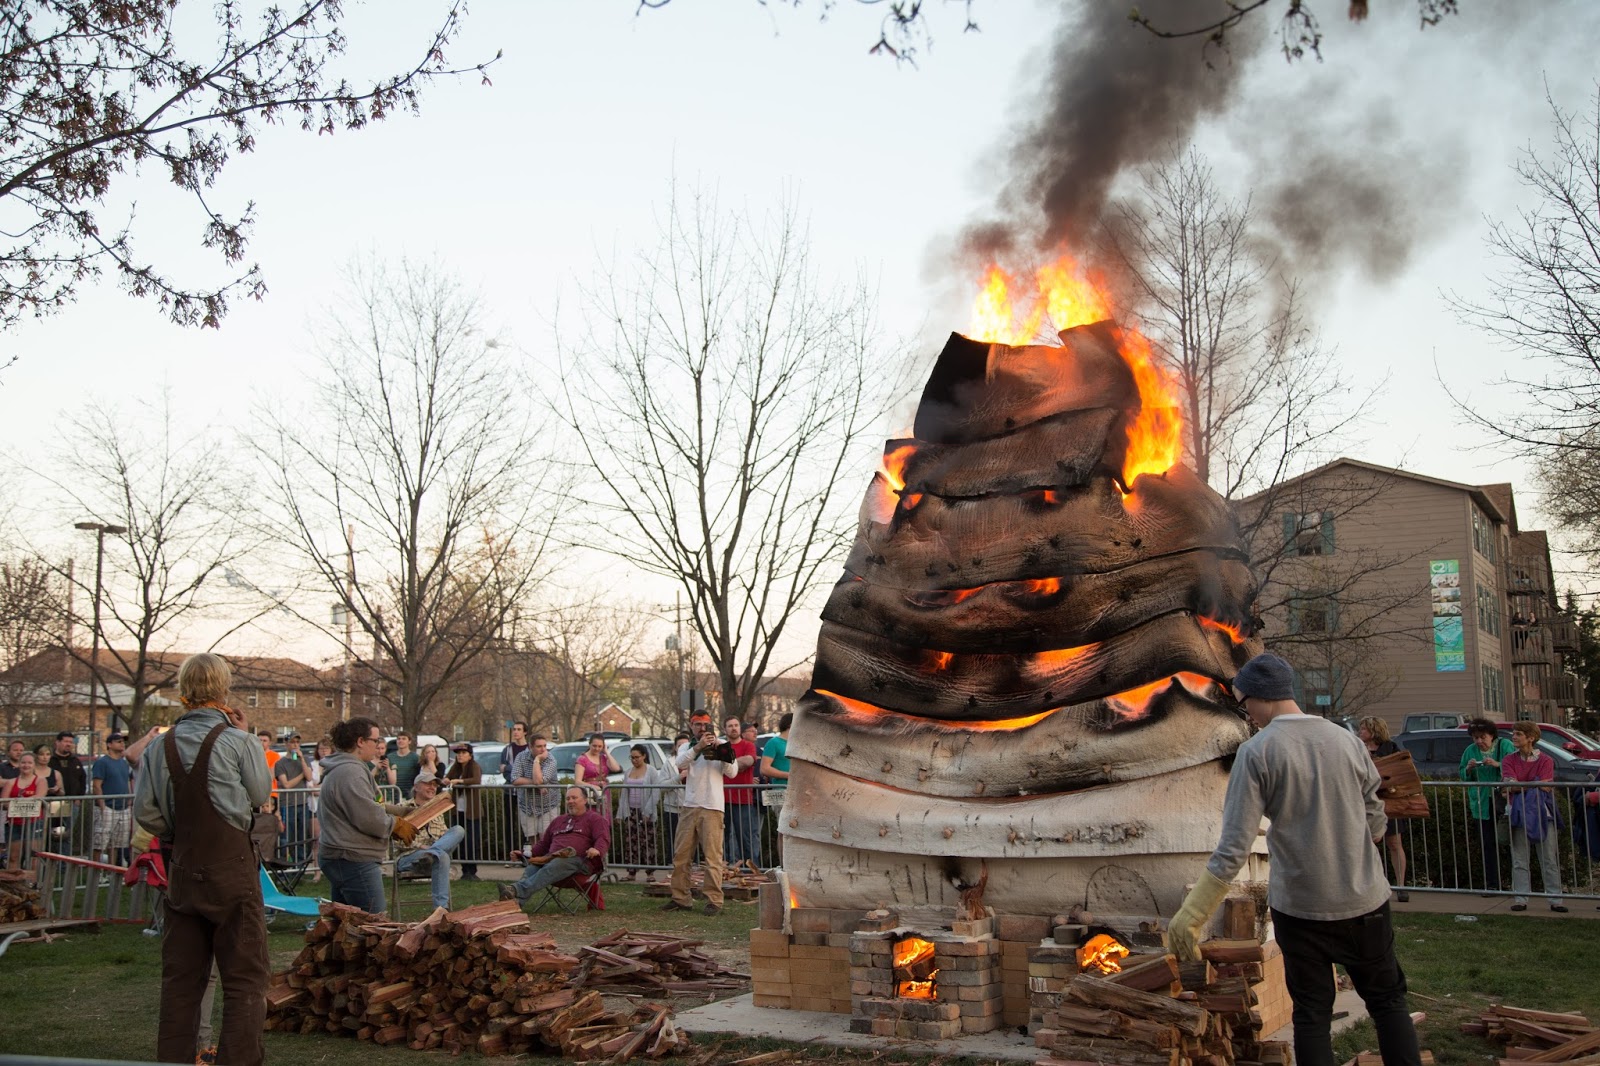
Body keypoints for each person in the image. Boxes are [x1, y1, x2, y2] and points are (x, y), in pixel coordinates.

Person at [1167, 653, 1421, 1066]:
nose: (1245, 712)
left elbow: (1234, 847)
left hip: (1302, 910)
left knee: (1312, 1015)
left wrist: (1192, 914)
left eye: (1244, 702)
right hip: (1365, 903)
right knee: (1388, 1004)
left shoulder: (1257, 752)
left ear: (1262, 697)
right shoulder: (1348, 742)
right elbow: (1376, 814)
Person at [132, 652, 273, 1066]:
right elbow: (262, 795)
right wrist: (243, 734)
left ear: (183, 690)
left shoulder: (159, 746)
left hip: (182, 868)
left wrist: (179, 834)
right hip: (231, 870)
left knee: (181, 980)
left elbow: (146, 814)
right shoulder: (238, 740)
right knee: (245, 978)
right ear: (223, 689)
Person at [316, 716, 416, 912]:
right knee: (373, 925)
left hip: (344, 856)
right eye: (376, 740)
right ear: (360, 742)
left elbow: (373, 804)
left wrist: (403, 812)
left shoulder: (351, 769)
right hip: (352, 859)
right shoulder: (349, 772)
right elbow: (368, 816)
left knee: (346, 927)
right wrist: (396, 824)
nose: (379, 745)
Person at [663, 724, 737, 916]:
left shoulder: (722, 744)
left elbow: (732, 772)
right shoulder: (687, 747)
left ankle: (714, 900)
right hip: (689, 806)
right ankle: (681, 898)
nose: (702, 728)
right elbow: (681, 763)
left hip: (713, 807)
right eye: (697, 724)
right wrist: (698, 748)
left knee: (712, 857)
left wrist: (721, 753)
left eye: (705, 724)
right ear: (691, 726)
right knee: (681, 854)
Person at [498, 786, 608, 908]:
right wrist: (523, 853)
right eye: (568, 798)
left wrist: (597, 849)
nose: (570, 801)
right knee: (532, 868)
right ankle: (514, 905)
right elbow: (543, 845)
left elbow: (602, 838)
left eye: (574, 798)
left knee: (558, 863)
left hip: (580, 862)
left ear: (585, 800)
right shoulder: (558, 820)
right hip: (551, 860)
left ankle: (515, 889)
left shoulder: (595, 819)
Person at [1503, 720, 1567, 912]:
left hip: (1542, 813)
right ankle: (1521, 898)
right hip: (1517, 812)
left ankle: (1555, 900)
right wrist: (1534, 783)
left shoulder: (1546, 760)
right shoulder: (1509, 760)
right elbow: (1509, 785)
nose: (1514, 737)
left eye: (1518, 734)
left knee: (1548, 858)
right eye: (1514, 733)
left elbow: (1547, 786)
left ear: (1531, 738)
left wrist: (1520, 785)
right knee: (1519, 858)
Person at [393, 771, 465, 911]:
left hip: (433, 858)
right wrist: (420, 846)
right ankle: (441, 910)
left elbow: (446, 839)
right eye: (428, 784)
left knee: (458, 830)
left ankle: (431, 856)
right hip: (409, 857)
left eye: (434, 785)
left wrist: (433, 850)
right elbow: (397, 842)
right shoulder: (401, 807)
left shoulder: (438, 812)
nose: (432, 787)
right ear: (416, 787)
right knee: (441, 855)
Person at [1459, 718, 1514, 892]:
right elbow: (1462, 774)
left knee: (1512, 843)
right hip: (1482, 803)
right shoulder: (1470, 751)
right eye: (1475, 738)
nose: (1479, 741)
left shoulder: (1504, 746)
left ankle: (1517, 884)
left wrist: (1497, 764)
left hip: (1504, 801)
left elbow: (1513, 767)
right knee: (1487, 843)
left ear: (1492, 735)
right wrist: (1469, 769)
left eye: (1482, 737)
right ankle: (1492, 884)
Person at [1358, 716, 1409, 902]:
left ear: (1374, 731)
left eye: (1364, 728)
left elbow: (1400, 770)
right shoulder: (1357, 748)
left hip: (1389, 802)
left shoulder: (1391, 748)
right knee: (1367, 845)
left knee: (1395, 844)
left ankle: (1401, 885)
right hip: (1366, 803)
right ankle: (1371, 885)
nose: (1360, 732)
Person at [620, 744, 673, 873]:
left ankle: (650, 872)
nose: (634, 760)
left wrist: (648, 811)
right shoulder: (628, 772)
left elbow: (655, 792)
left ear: (644, 756)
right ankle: (631, 871)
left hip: (646, 811)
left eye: (637, 757)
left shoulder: (652, 771)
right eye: (632, 757)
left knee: (648, 842)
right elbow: (624, 793)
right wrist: (621, 813)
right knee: (631, 842)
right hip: (631, 810)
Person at [92, 731, 134, 867]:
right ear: (109, 745)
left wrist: (128, 798)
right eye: (118, 741)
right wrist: (102, 805)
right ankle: (96, 871)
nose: (122, 743)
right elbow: (97, 785)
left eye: (123, 741)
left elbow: (127, 780)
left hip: (123, 807)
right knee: (100, 842)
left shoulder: (124, 763)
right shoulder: (102, 762)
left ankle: (111, 870)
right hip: (107, 807)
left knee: (116, 843)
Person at [2, 752, 53, 864]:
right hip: (14, 823)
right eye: (23, 762)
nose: (26, 765)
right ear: (19, 764)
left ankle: (32, 881)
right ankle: (13, 881)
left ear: (34, 765)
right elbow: (4, 801)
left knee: (34, 856)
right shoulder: (11, 782)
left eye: (29, 763)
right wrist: (26, 801)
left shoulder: (40, 781)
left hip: (34, 822)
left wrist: (15, 802)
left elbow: (39, 797)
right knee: (13, 856)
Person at [722, 716, 760, 865]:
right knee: (723, 837)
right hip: (722, 799)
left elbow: (749, 761)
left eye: (736, 725)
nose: (734, 728)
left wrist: (725, 763)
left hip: (743, 799)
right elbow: (741, 763)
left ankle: (751, 869)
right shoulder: (722, 746)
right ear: (725, 729)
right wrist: (737, 763)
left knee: (746, 837)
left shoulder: (748, 745)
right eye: (730, 725)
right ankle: (724, 868)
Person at [510, 734, 559, 847]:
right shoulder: (521, 756)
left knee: (545, 838)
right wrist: (538, 784)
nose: (543, 749)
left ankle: (546, 863)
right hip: (527, 805)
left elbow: (540, 780)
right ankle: (536, 862)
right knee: (533, 840)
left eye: (544, 746)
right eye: (539, 746)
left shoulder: (550, 759)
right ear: (530, 746)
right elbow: (515, 779)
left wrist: (537, 760)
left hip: (548, 805)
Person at [445, 742, 484, 880]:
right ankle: (464, 870)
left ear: (470, 755)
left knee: (472, 840)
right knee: (460, 840)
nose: (460, 756)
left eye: (463, 753)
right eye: (458, 753)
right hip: (458, 811)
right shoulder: (455, 768)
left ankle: (471, 870)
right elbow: (448, 778)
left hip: (471, 811)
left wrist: (459, 782)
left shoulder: (474, 766)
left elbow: (476, 779)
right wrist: (446, 780)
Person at [49, 731, 89, 858]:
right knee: (55, 833)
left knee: (67, 834)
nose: (69, 745)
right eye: (66, 742)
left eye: (71, 742)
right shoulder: (50, 760)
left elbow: (83, 780)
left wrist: (79, 799)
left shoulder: (75, 761)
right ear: (57, 743)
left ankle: (64, 866)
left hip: (73, 803)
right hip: (55, 803)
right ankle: (52, 863)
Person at [760, 712, 793, 864]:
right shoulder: (774, 743)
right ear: (790, 725)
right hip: (781, 791)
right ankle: (784, 864)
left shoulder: (797, 745)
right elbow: (764, 768)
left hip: (798, 792)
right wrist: (788, 775)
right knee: (784, 831)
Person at [272, 736, 310, 864]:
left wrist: (303, 760)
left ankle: (300, 865)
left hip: (302, 803)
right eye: (292, 742)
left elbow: (309, 777)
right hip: (287, 805)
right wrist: (301, 775)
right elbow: (286, 784)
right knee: (287, 837)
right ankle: (286, 865)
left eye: (298, 742)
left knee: (302, 836)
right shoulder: (281, 763)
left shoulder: (304, 760)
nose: (295, 745)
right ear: (286, 744)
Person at [498, 722, 530, 858]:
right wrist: (515, 774)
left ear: (525, 732)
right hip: (510, 792)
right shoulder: (507, 749)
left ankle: (525, 854)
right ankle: (510, 854)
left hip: (526, 793)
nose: (516, 732)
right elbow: (502, 769)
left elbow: (528, 771)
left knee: (526, 824)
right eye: (514, 729)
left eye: (519, 729)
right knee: (509, 824)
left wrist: (512, 769)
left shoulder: (529, 749)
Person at [573, 732, 620, 809]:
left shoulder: (604, 758)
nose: (597, 749)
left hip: (604, 793)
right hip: (590, 794)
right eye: (594, 746)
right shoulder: (582, 759)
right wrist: (593, 787)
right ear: (589, 744)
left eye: (600, 746)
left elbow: (616, 768)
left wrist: (606, 752)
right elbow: (577, 781)